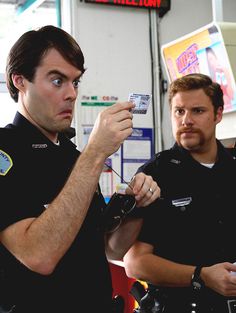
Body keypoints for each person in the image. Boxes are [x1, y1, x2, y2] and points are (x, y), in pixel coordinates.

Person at [0, 25, 161, 313]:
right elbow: (38, 255)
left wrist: (137, 206)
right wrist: (96, 151)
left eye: (76, 82)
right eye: (57, 81)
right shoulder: (5, 151)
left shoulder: (73, 156)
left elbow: (110, 249)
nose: (72, 94)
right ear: (20, 80)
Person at [123, 73, 236, 313]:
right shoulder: (155, 175)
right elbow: (135, 262)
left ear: (217, 114)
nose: (186, 120)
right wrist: (201, 276)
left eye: (197, 111)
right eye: (179, 111)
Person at [206, 46, 235, 111]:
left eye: (211, 59)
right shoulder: (211, 80)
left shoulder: (225, 70)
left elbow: (231, 93)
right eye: (209, 61)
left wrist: (222, 73)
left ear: (216, 58)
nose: (211, 63)